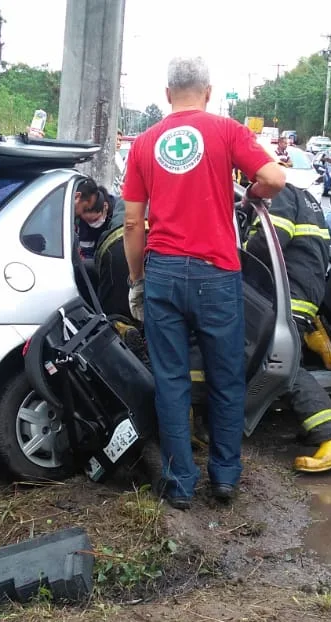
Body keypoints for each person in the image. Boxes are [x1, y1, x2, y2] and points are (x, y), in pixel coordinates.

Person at [121, 56, 286, 510]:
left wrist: (138, 281)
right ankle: (225, 478)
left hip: (165, 274)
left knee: (171, 380)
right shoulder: (226, 131)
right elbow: (274, 177)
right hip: (217, 273)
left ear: (167, 93)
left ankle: (179, 485)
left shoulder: (144, 143)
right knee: (226, 379)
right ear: (209, 92)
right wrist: (252, 195)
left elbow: (133, 224)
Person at [243, 184, 331, 472]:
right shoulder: (305, 199)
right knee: (286, 362)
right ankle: (315, 429)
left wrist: (239, 250)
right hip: (304, 296)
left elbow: (268, 243)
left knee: (283, 368)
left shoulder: (281, 198)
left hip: (287, 297)